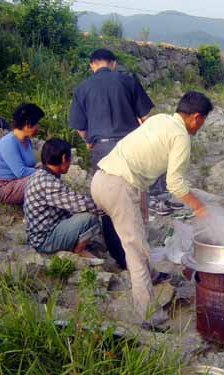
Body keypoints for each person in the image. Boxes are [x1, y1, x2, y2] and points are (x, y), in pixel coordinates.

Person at [90, 91, 213, 328]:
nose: (201, 126)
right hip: (118, 187)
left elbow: (137, 156)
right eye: (203, 121)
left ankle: (153, 276)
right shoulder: (181, 137)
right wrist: (199, 207)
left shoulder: (158, 120)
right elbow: (175, 184)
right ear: (196, 117)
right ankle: (149, 316)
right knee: (136, 251)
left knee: (137, 238)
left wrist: (141, 198)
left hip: (100, 181)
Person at [69, 48, 155, 269]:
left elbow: (80, 127)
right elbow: (146, 117)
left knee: (108, 203)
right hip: (130, 147)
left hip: (102, 150)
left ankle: (118, 256)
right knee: (134, 198)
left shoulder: (82, 88)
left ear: (92, 65)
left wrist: (89, 141)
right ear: (113, 63)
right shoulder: (127, 80)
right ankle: (138, 256)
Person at [24, 138, 102, 258]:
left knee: (83, 213)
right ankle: (78, 251)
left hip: (43, 231)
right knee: (90, 218)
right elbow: (80, 203)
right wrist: (107, 206)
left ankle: (72, 242)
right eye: (69, 159)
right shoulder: (48, 183)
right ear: (64, 158)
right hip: (44, 240)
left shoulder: (39, 174)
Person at [0, 103, 43, 205]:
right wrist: (43, 171)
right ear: (27, 124)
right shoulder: (9, 142)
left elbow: (29, 166)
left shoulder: (27, 140)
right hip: (4, 186)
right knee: (43, 178)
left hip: (19, 181)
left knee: (51, 169)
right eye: (36, 123)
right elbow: (21, 172)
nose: (38, 127)